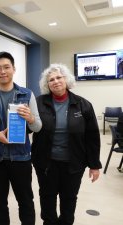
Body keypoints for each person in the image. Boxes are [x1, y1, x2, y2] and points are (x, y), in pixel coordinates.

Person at [0, 51, 42, 225]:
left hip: (21, 157)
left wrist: (30, 118)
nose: (2, 71)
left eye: (6, 67)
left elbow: (38, 126)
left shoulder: (27, 95)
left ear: (14, 69)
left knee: (26, 201)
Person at [32, 63, 102, 225]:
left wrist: (94, 165)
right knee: (47, 197)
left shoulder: (83, 105)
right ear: (46, 84)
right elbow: (30, 128)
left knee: (69, 199)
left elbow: (92, 137)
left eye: (59, 77)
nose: (55, 81)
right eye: (51, 80)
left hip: (74, 164)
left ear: (66, 79)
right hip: (46, 163)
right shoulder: (39, 102)